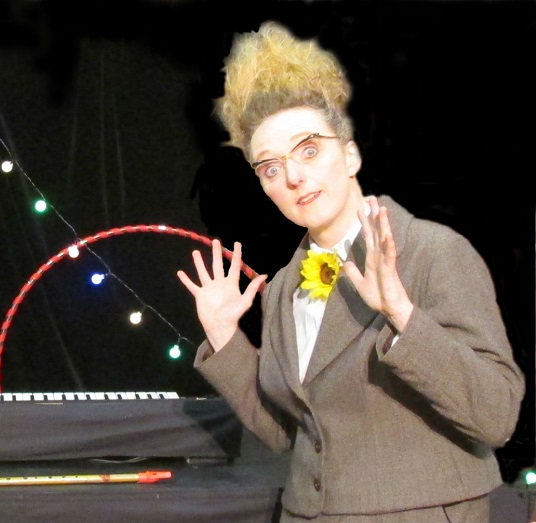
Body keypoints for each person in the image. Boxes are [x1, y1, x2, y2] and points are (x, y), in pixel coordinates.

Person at [176, 20, 525, 522]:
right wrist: (225, 337)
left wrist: (403, 317)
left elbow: (496, 416)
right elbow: (285, 433)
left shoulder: (433, 252)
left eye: (309, 149)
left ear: (351, 154)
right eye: (271, 167)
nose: (293, 176)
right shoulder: (284, 288)